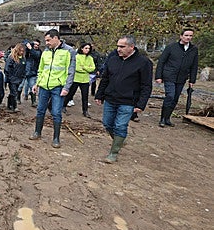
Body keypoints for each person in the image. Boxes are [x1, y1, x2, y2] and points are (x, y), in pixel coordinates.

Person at [95, 35, 153, 163]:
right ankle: (120, 139)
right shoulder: (113, 60)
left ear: (131, 47)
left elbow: (146, 85)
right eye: (117, 46)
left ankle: (113, 153)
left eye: (122, 46)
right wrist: (99, 95)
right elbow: (105, 79)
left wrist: (141, 104)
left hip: (128, 101)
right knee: (107, 123)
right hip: (111, 98)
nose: (118, 49)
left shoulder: (143, 63)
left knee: (120, 126)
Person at [29, 29, 76, 148]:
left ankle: (56, 138)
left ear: (56, 38)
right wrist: (37, 83)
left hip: (58, 87)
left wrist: (67, 87)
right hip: (44, 86)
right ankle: (37, 132)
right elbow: (41, 69)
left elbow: (71, 71)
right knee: (40, 110)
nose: (47, 43)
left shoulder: (69, 51)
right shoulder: (46, 51)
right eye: (46, 41)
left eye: (48, 40)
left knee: (56, 112)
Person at [154, 28, 199, 127]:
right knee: (170, 95)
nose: (188, 38)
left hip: (182, 77)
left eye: (190, 36)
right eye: (186, 35)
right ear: (181, 36)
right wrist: (158, 76)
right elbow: (161, 61)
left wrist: (192, 80)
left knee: (175, 98)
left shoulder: (193, 49)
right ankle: (162, 118)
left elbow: (194, 65)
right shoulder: (171, 47)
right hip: (169, 75)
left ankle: (167, 118)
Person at [63, 43, 96, 118]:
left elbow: (93, 68)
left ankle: (85, 111)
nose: (87, 50)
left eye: (89, 48)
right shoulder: (76, 57)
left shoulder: (90, 58)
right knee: (70, 93)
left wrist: (84, 68)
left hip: (85, 80)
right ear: (82, 48)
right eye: (86, 48)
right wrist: (86, 68)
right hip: (76, 78)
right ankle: (63, 106)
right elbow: (76, 67)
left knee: (85, 96)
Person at [18, 39, 42, 107]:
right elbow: (24, 42)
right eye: (35, 44)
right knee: (20, 86)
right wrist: (27, 44)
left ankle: (33, 101)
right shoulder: (27, 50)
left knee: (32, 87)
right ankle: (18, 99)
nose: (36, 46)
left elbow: (36, 55)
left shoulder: (39, 52)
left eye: (38, 45)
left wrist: (30, 48)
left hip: (33, 72)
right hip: (24, 71)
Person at [4, 43, 26, 112]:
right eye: (20, 51)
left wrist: (23, 76)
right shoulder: (11, 58)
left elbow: (24, 68)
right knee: (14, 93)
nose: (22, 52)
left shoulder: (23, 59)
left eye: (23, 51)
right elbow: (7, 69)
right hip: (12, 79)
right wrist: (9, 78)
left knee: (14, 92)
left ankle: (9, 105)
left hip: (19, 78)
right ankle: (14, 106)